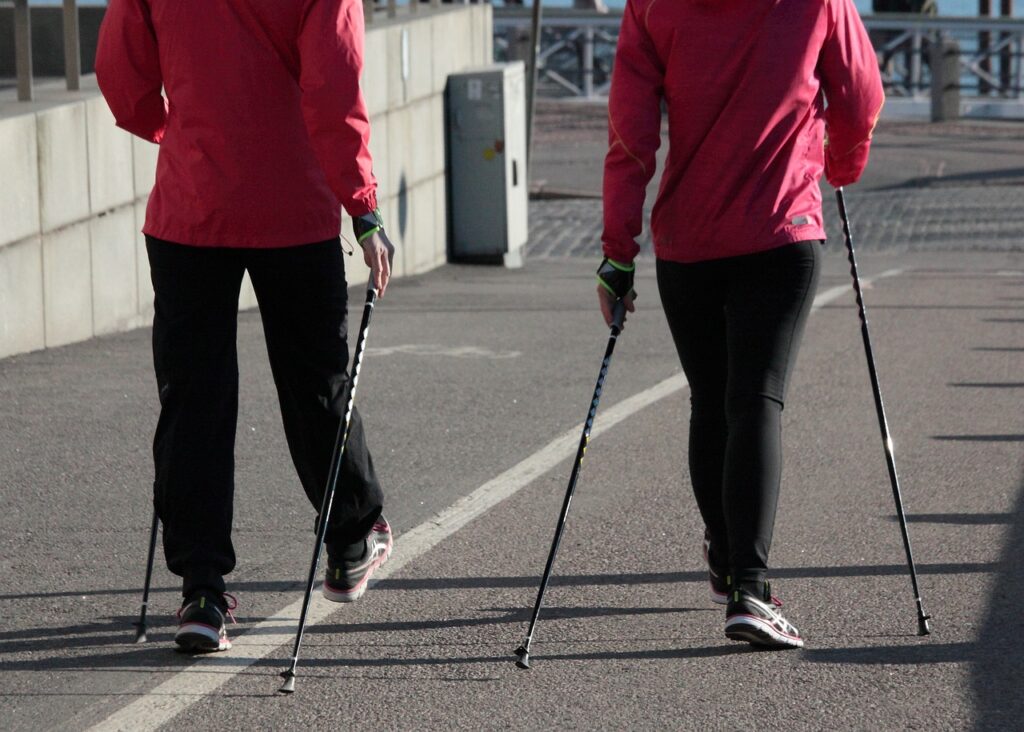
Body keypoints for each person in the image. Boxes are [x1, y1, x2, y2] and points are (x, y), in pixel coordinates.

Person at [95, 0, 396, 653]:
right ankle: (351, 533)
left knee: (193, 398)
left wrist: (176, 132)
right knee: (315, 380)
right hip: (294, 207)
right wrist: (363, 206)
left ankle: (202, 590)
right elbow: (332, 89)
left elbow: (121, 77)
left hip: (190, 206)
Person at [596, 0, 883, 649]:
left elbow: (630, 133)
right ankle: (751, 588)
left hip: (687, 241)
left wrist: (617, 251)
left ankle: (728, 563)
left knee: (712, 400)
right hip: (782, 231)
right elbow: (862, 96)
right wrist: (841, 164)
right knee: (755, 399)